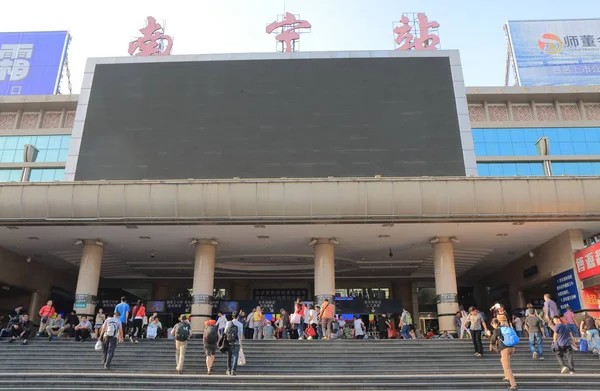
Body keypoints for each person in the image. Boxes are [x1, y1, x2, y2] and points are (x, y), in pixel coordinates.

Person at [490, 318, 518, 390]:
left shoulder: (497, 330)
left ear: (494, 324)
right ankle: (507, 376)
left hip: (505, 349)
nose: (492, 326)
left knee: (507, 367)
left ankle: (513, 385)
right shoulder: (505, 328)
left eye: (492, 324)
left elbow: (493, 340)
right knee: (502, 360)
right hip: (512, 347)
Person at [224, 311, 244, 376]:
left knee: (229, 356)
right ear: (238, 316)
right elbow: (240, 335)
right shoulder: (240, 324)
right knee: (236, 355)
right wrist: (241, 344)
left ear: (232, 316)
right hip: (237, 342)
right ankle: (233, 370)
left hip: (229, 342)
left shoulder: (228, 323)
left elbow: (225, 332)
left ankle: (228, 370)